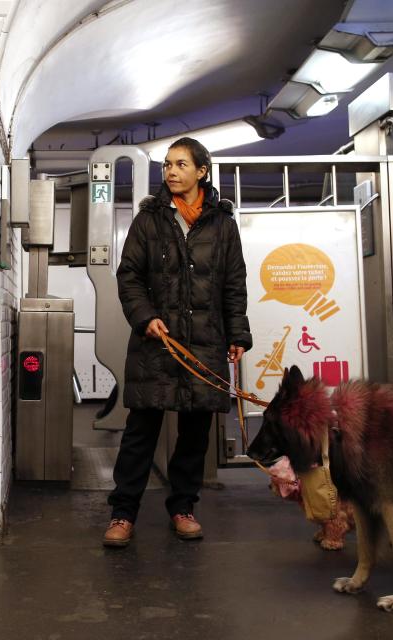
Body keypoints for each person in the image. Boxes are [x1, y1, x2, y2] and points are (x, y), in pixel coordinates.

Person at [103, 137, 252, 547]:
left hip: (204, 344)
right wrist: (144, 316)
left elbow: (233, 284)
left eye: (181, 164)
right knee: (141, 431)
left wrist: (238, 333)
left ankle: (183, 507)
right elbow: (128, 275)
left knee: (194, 434)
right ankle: (122, 514)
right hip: (157, 344)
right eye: (167, 164)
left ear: (201, 171)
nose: (170, 171)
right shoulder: (149, 220)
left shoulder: (223, 224)